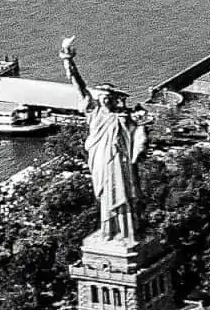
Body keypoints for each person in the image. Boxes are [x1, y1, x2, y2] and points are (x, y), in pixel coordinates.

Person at [60, 36, 149, 242]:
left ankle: (127, 230)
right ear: (98, 100)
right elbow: (79, 85)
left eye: (109, 97)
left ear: (115, 99)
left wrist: (140, 142)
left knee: (122, 192)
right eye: (102, 97)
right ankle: (110, 229)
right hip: (100, 158)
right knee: (106, 193)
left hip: (120, 159)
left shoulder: (123, 118)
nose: (105, 100)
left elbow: (138, 137)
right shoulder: (93, 112)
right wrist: (68, 59)